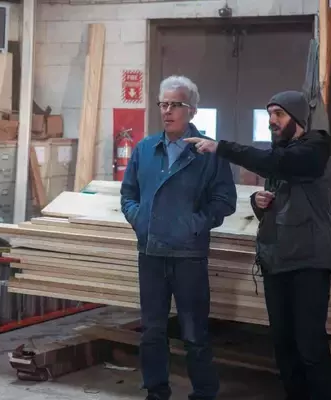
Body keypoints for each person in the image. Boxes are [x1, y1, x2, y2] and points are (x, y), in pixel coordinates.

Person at [185, 91, 331, 400]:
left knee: (310, 346)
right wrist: (258, 202)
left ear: (298, 118)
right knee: (283, 346)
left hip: (308, 262)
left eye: (278, 114)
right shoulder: (280, 155)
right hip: (276, 260)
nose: (272, 121)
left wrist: (221, 147)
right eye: (269, 114)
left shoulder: (316, 148)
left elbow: (280, 164)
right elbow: (279, 205)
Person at [120, 75, 237, 400]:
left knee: (194, 333)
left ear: (192, 110)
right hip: (151, 253)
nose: (167, 111)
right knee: (152, 331)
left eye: (176, 104)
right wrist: (140, 219)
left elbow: (225, 200)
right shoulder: (145, 149)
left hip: (189, 255)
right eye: (163, 104)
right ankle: (156, 391)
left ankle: (204, 393)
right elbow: (128, 194)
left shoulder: (208, 152)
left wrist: (194, 224)